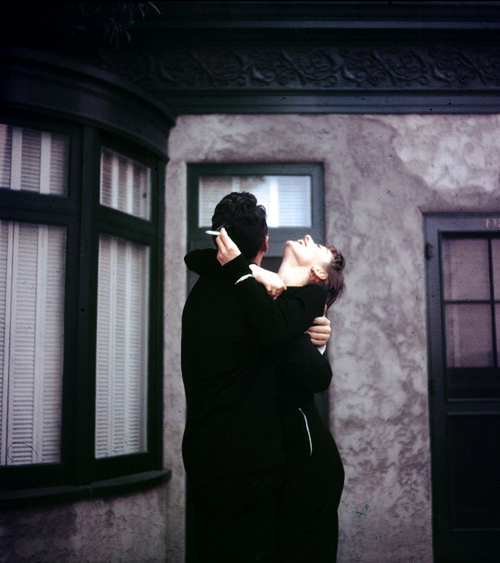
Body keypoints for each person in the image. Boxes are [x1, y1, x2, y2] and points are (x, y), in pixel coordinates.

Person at [181, 192, 333, 563]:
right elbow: (313, 372)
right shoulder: (263, 309)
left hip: (207, 462)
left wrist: (250, 272)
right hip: (250, 469)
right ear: (266, 244)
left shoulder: (207, 290)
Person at [216, 227, 346, 563]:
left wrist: (318, 344)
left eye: (317, 247)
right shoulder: (261, 292)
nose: (307, 237)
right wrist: (253, 273)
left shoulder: (306, 311)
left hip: (306, 462)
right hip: (263, 462)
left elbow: (312, 373)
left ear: (318, 272)